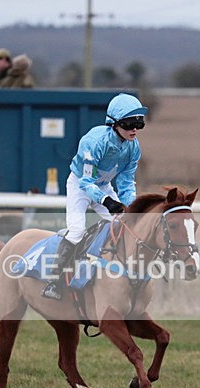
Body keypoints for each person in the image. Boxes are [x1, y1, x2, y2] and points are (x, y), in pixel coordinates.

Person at [41, 93, 148, 300]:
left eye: (139, 123)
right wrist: (107, 201)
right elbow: (86, 182)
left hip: (104, 186)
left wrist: (129, 207)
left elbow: (126, 182)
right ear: (115, 123)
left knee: (124, 225)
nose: (134, 129)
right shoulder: (93, 141)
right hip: (80, 186)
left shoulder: (133, 148)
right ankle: (52, 281)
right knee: (77, 230)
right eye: (129, 124)